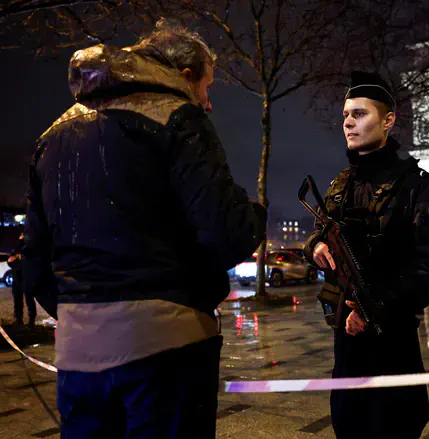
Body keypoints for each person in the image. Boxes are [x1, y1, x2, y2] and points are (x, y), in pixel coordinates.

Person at [23, 19, 266, 438]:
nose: (208, 103)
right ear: (186, 77)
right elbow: (225, 233)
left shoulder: (53, 135)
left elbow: (35, 259)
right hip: (166, 350)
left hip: (78, 359)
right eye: (207, 87)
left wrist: (82, 316)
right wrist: (252, 213)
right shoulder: (178, 117)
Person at [304, 71, 429, 439]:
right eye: (345, 115)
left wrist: (375, 310)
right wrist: (315, 247)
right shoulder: (341, 183)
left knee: (394, 426)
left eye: (359, 113)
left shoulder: (417, 187)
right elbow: (320, 233)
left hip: (392, 337)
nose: (348, 122)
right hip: (346, 336)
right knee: (349, 425)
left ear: (387, 121)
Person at [8, 233, 36, 327]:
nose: (21, 237)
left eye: (22, 237)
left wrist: (18, 259)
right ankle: (18, 319)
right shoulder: (16, 249)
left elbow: (28, 262)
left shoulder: (28, 249)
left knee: (29, 299)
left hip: (26, 278)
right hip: (16, 279)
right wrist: (16, 257)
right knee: (17, 300)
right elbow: (9, 261)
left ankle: (31, 320)